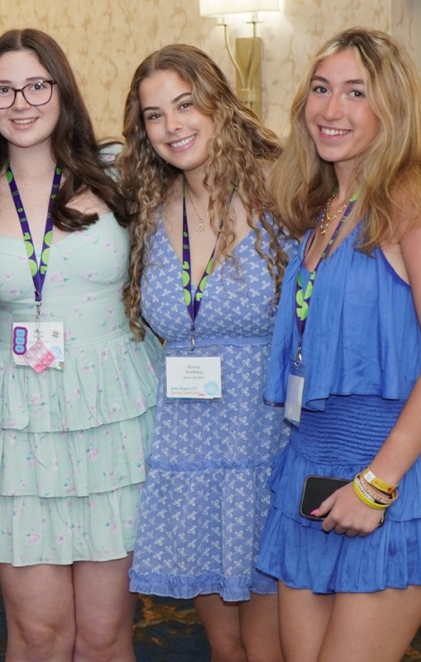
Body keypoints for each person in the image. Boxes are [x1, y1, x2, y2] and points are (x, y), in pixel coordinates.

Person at [257, 28, 421, 661]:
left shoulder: (409, 199)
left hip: (389, 477)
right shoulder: (324, 207)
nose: (332, 110)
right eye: (321, 90)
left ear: (393, 110)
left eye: (357, 93)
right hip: (310, 469)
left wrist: (375, 486)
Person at [0, 29, 161, 662]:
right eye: (3, 87)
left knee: (104, 636)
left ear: (62, 89)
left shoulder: (118, 169)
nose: (20, 101)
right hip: (20, 418)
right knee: (40, 635)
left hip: (112, 411)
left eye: (36, 85)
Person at [118, 45, 290, 662]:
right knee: (225, 649)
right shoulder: (144, 210)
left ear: (220, 105)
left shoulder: (285, 194)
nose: (173, 126)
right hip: (190, 452)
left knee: (269, 648)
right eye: (154, 115)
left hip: (270, 445)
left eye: (186, 105)